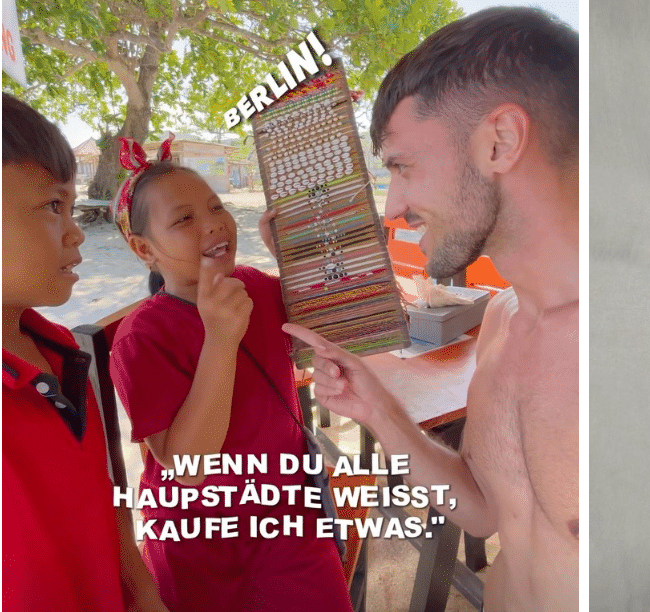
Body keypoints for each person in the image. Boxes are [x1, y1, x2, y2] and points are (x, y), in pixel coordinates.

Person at [282, 7, 580, 610]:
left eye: (402, 166)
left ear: (500, 141)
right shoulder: (501, 320)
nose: (392, 208)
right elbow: (486, 510)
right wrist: (381, 413)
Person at [107, 134, 353, 611]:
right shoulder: (143, 337)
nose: (214, 224)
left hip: (288, 523)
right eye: (184, 219)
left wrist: (291, 257)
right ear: (144, 249)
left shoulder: (255, 288)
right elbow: (187, 470)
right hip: (198, 544)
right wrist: (219, 340)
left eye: (216, 206)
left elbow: (335, 325)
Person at [2, 92, 167, 611]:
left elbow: (104, 496)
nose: (76, 232)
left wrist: (144, 593)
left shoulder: (63, 354)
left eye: (72, 206)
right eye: (53, 206)